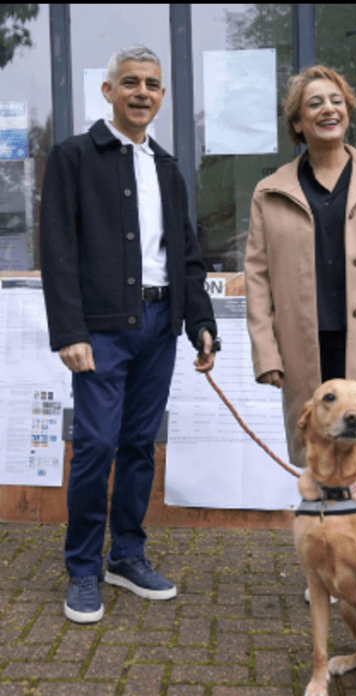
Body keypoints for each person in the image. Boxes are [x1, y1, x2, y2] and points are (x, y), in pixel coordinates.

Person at [40, 45, 218, 625]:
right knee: (95, 445)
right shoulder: (73, 157)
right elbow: (58, 251)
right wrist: (69, 330)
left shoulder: (167, 167)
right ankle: (84, 568)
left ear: (162, 96)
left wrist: (200, 324)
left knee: (140, 445)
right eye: (131, 83)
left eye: (153, 85)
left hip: (159, 327)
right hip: (101, 331)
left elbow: (186, 255)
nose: (143, 92)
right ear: (108, 91)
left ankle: (128, 555)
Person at [244, 64, 356, 471]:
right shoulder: (270, 192)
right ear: (297, 122)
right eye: (315, 103)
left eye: (336, 100)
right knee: (318, 452)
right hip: (305, 347)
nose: (329, 109)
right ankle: (326, 534)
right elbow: (256, 278)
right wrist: (266, 352)